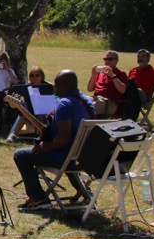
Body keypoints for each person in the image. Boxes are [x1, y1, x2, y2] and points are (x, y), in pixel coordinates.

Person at [12, 69, 96, 210]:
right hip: (82, 157)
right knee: (69, 154)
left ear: (66, 84)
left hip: (64, 157)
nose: (53, 87)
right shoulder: (87, 101)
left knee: (20, 155)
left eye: (56, 84)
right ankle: (85, 191)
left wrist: (46, 146)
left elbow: (63, 138)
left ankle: (39, 198)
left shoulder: (64, 104)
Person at [6, 65, 52, 142]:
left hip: (44, 111)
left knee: (44, 116)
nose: (34, 77)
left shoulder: (48, 86)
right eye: (32, 75)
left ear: (42, 76)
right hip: (31, 111)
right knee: (24, 116)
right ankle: (13, 135)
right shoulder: (26, 87)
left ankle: (45, 135)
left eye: (37, 75)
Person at [88, 50, 130, 117]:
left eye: (110, 59)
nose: (106, 61)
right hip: (97, 98)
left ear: (116, 61)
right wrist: (93, 75)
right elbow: (90, 89)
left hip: (110, 102)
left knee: (88, 107)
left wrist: (112, 76)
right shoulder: (101, 72)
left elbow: (122, 90)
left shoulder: (120, 73)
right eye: (105, 59)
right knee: (79, 102)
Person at [129, 49, 154, 118]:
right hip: (130, 95)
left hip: (142, 97)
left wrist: (151, 102)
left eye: (142, 56)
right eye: (138, 57)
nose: (140, 58)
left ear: (148, 58)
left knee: (138, 90)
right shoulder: (133, 70)